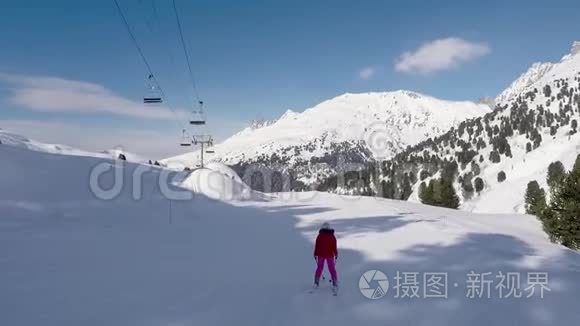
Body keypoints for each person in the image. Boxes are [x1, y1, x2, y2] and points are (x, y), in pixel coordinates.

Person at [313, 222, 338, 289]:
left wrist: (315, 253)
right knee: (332, 268)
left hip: (321, 255)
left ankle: (316, 281)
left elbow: (317, 246)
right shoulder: (332, 236)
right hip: (329, 255)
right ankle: (335, 282)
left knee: (320, 267)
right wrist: (336, 253)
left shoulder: (320, 236)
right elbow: (334, 246)